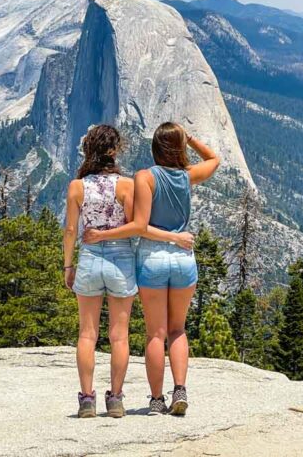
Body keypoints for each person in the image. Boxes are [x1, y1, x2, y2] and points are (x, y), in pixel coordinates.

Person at [84, 122, 219, 416]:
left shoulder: (145, 177)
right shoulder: (186, 176)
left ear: (155, 148)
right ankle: (180, 389)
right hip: (184, 259)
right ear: (179, 147)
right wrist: (190, 138)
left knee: (156, 334)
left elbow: (141, 227)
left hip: (151, 260)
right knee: (178, 330)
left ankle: (157, 400)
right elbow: (214, 160)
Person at [63, 124, 193, 419]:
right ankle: (116, 400)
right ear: (114, 151)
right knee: (119, 337)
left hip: (89, 260)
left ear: (88, 150)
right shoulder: (126, 185)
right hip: (122, 261)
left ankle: (86, 400)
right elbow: (139, 225)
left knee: (87, 334)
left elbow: (71, 230)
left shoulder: (77, 187)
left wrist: (68, 265)